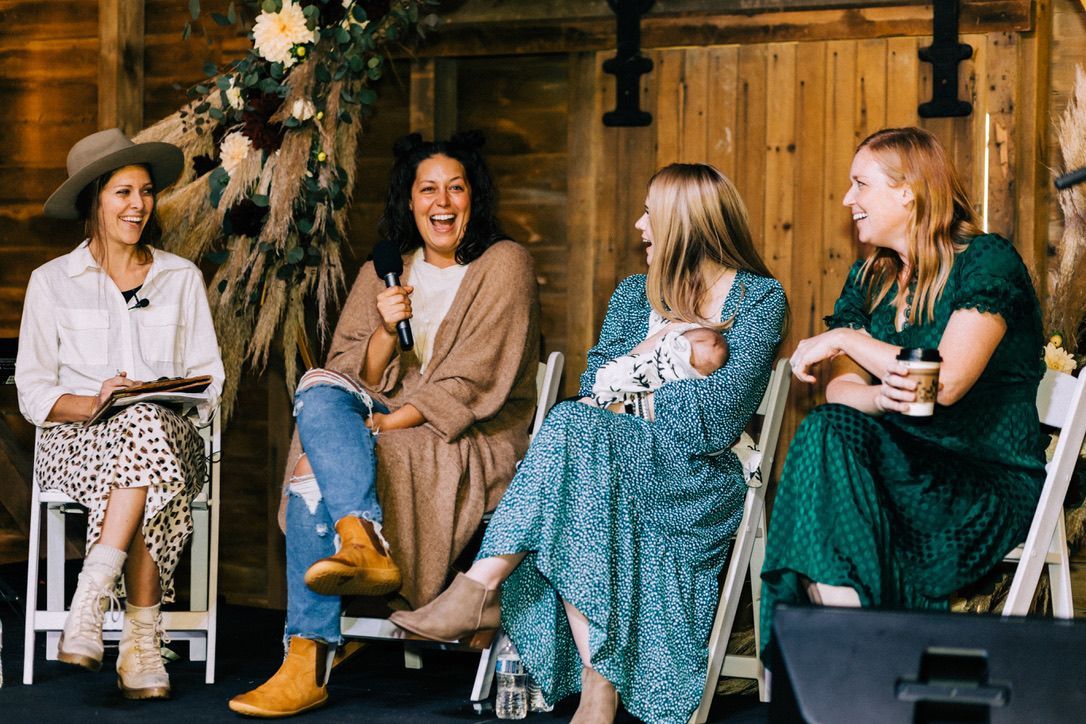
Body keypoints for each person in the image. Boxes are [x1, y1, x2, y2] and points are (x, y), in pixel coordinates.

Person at [391, 163, 787, 724]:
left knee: (572, 431)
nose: (638, 224)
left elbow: (715, 422)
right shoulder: (633, 295)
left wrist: (633, 395)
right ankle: (596, 689)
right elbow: (591, 390)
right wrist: (647, 379)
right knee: (577, 436)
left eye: (649, 212)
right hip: (609, 463)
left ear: (685, 222)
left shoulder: (759, 300)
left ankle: (479, 588)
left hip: (694, 478)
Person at [228, 132, 540, 718]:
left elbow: (474, 380)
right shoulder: (385, 269)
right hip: (380, 417)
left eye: (456, 187)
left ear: (473, 197)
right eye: (428, 189)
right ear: (410, 200)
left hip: (464, 434)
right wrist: (381, 329)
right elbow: (350, 371)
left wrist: (386, 424)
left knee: (310, 465)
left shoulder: (504, 263)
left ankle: (307, 656)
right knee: (317, 386)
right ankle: (361, 538)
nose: (442, 202)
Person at [759, 127, 1047, 655]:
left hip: (980, 480)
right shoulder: (871, 278)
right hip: (898, 466)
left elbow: (947, 381)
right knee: (826, 431)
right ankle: (858, 653)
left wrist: (848, 337)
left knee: (829, 462)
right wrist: (880, 397)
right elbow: (841, 391)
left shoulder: (985, 261)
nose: (849, 200)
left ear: (907, 191)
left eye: (860, 184)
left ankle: (851, 659)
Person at [16, 128, 225, 699]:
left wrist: (157, 396)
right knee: (142, 445)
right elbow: (33, 390)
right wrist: (95, 402)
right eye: (123, 193)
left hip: (169, 436)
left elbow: (212, 379)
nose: (139, 206)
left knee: (147, 426)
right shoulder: (51, 282)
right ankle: (139, 641)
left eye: (146, 192)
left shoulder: (180, 277)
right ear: (94, 201)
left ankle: (90, 595)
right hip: (79, 441)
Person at [587, 323, 729, 418]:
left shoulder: (688, 385)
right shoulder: (669, 337)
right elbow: (634, 358)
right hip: (617, 385)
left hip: (630, 409)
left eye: (694, 364)